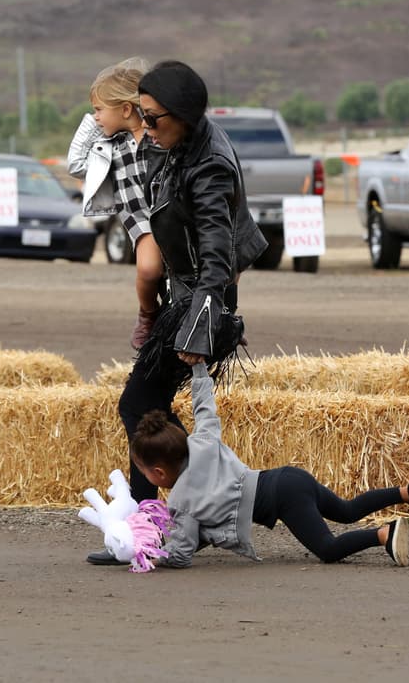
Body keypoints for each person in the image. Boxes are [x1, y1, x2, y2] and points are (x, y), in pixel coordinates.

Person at [88, 60, 268, 566]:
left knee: (138, 407)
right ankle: (188, 515)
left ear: (181, 116)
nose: (144, 131)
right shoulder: (181, 136)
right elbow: (92, 136)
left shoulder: (208, 168)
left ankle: (157, 526)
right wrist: (126, 97)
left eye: (151, 120)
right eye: (139, 116)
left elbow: (217, 260)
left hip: (200, 308)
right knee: (150, 411)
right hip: (188, 300)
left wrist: (197, 327)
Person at [131, 363, 409, 568]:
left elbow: (183, 552)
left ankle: (383, 534)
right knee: (346, 510)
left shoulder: (181, 499)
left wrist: (150, 553)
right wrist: (198, 370)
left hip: (284, 499)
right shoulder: (202, 441)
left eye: (143, 471)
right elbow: (205, 409)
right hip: (288, 477)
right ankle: (407, 492)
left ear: (158, 473)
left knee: (328, 549)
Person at [68, 57, 164, 350]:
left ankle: (217, 318)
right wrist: (94, 123)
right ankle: (148, 313)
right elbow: (75, 164)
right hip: (140, 220)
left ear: (125, 109)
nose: (95, 116)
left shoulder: (160, 138)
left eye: (98, 110)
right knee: (148, 270)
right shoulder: (109, 148)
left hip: (169, 215)